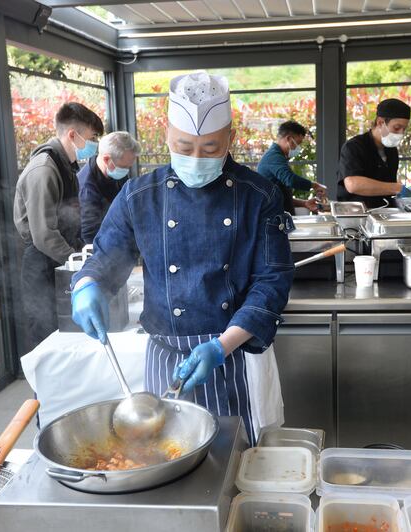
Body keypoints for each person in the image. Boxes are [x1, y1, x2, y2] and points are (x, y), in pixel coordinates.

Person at [70, 72, 294, 444]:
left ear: (231, 139)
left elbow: (272, 282)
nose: (195, 158)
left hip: (233, 351)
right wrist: (87, 284)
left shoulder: (259, 195)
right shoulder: (140, 196)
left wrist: (221, 346)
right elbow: (108, 255)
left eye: (209, 150)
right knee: (164, 452)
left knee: (240, 457)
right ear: (167, 136)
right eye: (183, 146)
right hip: (165, 352)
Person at [14, 102, 104, 350]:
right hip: (42, 264)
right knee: (47, 340)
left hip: (58, 260)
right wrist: (77, 262)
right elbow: (44, 235)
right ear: (72, 135)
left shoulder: (65, 165)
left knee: (67, 335)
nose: (94, 144)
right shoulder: (44, 169)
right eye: (92, 137)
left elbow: (69, 220)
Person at [337, 98, 411, 208]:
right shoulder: (354, 146)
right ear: (380, 122)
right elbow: (353, 184)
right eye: (397, 128)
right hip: (357, 215)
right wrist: (397, 188)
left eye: (404, 129)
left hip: (385, 213)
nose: (401, 133)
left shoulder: (391, 150)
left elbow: (387, 182)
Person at [78, 131, 141, 244]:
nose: (126, 171)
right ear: (107, 159)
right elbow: (89, 234)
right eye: (124, 167)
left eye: (128, 167)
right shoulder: (87, 189)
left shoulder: (114, 170)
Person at [257, 120, 326, 215]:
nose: (298, 148)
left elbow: (281, 196)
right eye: (298, 143)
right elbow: (290, 180)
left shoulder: (278, 157)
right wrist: (314, 185)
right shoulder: (274, 157)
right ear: (289, 139)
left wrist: (304, 203)